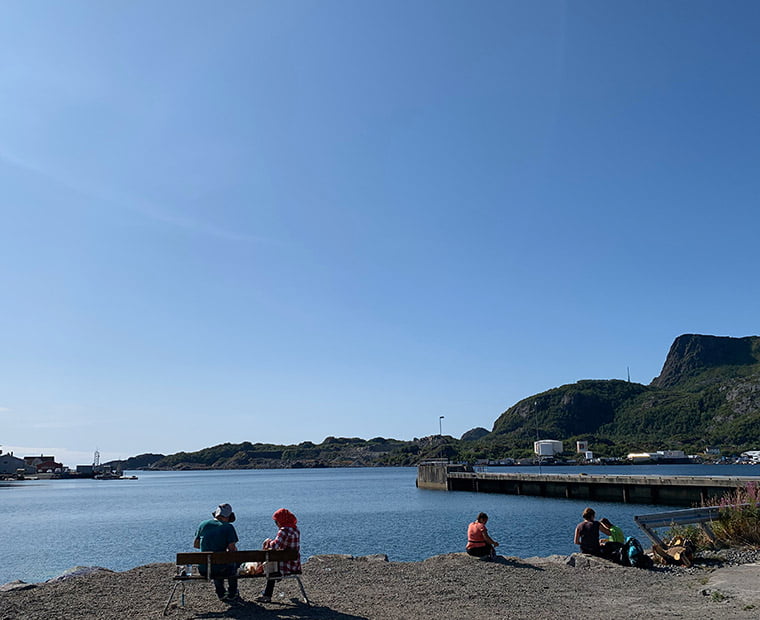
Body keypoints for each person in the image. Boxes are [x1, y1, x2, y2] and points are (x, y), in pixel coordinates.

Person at [194, 503, 240, 602]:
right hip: (221, 568)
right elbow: (232, 550)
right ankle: (232, 592)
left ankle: (221, 592)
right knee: (231, 562)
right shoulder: (228, 527)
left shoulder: (203, 524)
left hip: (204, 569)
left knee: (214, 561)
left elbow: (196, 545)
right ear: (228, 516)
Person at [256, 508, 301, 603]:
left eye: (276, 522)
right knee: (273, 561)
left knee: (271, 565)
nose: (276, 524)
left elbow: (274, 546)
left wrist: (267, 542)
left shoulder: (283, 530)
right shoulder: (295, 529)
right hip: (294, 564)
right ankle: (267, 594)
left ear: (281, 521)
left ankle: (267, 595)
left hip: (284, 566)